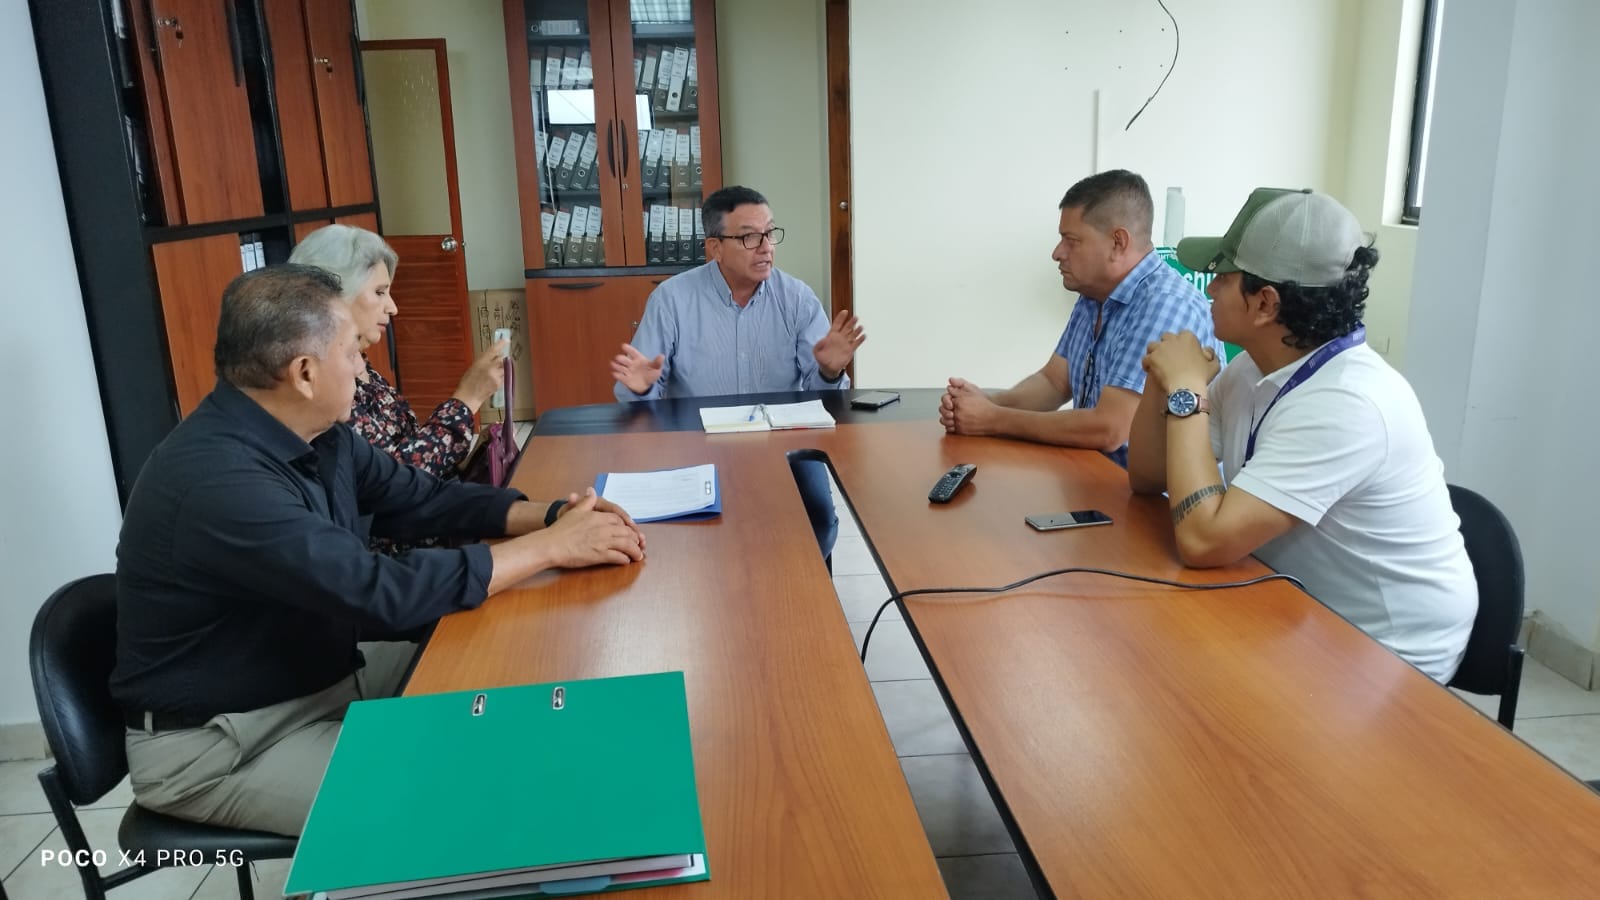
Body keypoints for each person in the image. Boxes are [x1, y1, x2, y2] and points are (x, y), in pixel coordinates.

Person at [111, 265, 646, 836]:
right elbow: (377, 591)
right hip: (224, 743)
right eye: (351, 353)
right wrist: (550, 548)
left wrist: (553, 515)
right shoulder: (218, 481)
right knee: (469, 805)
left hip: (316, 675)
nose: (362, 368)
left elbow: (422, 498)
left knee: (524, 670)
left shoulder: (317, 432)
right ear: (305, 373)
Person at [1126, 188, 1476, 682]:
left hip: (1386, 650)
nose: (1209, 289)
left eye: (1223, 277)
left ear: (1265, 303)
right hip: (1292, 604)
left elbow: (1203, 542)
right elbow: (1147, 477)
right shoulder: (1255, 367)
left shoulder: (1347, 404)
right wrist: (1160, 378)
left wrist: (1187, 390)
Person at [611, 186, 864, 560]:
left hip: (784, 441)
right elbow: (641, 391)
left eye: (770, 233)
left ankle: (794, 584)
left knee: (820, 521)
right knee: (698, 535)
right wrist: (641, 389)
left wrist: (829, 371)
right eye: (749, 237)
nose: (766, 247)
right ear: (715, 248)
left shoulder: (797, 299)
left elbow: (823, 402)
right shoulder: (672, 299)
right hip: (698, 440)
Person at [940, 170, 1222, 467]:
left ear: (1118, 243)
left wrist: (992, 419)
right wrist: (984, 403)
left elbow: (1110, 428)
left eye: (1071, 240)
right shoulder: (1093, 294)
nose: (1057, 253)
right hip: (1092, 474)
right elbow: (1053, 381)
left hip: (1148, 493)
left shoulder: (1164, 304)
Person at [289, 224, 507, 480]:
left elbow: (409, 450)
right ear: (334, 296)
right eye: (379, 292)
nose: (393, 308)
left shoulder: (359, 361)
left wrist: (471, 459)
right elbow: (396, 478)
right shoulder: (324, 379)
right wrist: (468, 398)